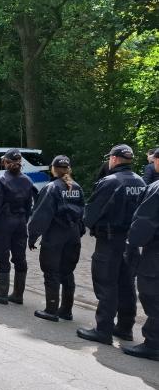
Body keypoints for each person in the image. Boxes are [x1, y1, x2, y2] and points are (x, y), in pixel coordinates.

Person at [78, 144, 146, 344]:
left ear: (114, 159)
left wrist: (88, 224)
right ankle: (125, 328)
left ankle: (103, 330)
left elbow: (91, 213)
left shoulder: (110, 182)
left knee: (106, 284)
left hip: (110, 241)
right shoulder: (141, 181)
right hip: (131, 242)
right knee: (126, 284)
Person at [27, 155, 85, 320]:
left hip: (55, 236)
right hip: (72, 236)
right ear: (68, 169)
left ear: (53, 169)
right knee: (67, 272)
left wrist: (32, 236)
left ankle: (51, 310)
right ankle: (66, 310)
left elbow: (41, 215)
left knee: (51, 272)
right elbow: (82, 213)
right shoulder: (77, 187)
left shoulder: (51, 187)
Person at [0, 149, 36, 303]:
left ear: (5, 162)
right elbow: (30, 206)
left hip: (4, 223)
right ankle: (18, 295)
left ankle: (2, 294)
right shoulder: (28, 180)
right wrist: (24, 221)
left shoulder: (2, 180)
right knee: (20, 258)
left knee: (1, 256)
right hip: (20, 222)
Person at [123, 149, 159, 360]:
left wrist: (132, 244)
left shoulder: (156, 188)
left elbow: (144, 222)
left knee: (151, 294)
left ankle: (153, 343)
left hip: (155, 254)